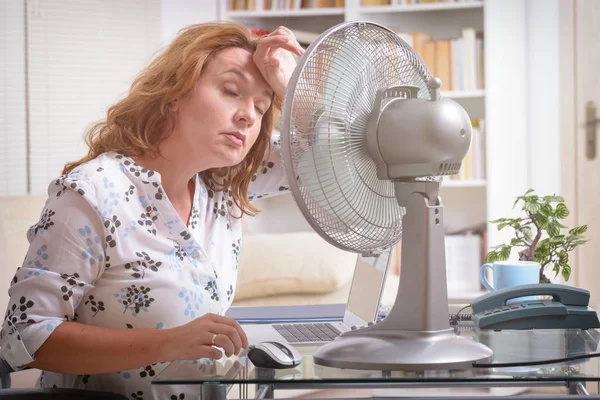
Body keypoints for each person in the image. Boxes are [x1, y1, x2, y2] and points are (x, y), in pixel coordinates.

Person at [0, 22, 304, 399]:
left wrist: (291, 85)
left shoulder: (222, 185)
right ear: (174, 93)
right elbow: (24, 335)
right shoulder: (92, 191)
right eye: (231, 91)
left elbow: (338, 157)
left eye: (261, 107)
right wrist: (170, 342)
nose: (248, 115)